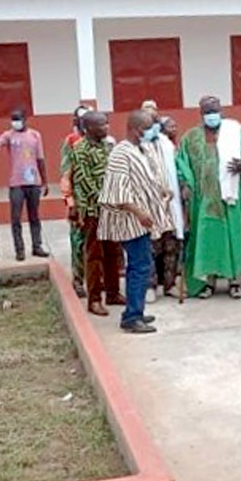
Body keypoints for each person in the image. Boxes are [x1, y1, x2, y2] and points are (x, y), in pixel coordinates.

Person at [177, 96, 241, 299]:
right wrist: (184, 186)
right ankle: (209, 282)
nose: (212, 115)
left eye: (214, 110)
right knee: (207, 239)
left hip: (232, 197)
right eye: (207, 111)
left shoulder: (234, 132)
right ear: (201, 114)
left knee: (234, 236)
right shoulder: (190, 138)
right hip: (204, 200)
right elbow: (181, 164)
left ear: (221, 112)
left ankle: (235, 282)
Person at [97, 110, 173, 334]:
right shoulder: (121, 153)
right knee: (140, 266)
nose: (153, 131)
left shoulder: (144, 149)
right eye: (149, 127)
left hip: (144, 219)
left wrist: (163, 190)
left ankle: (135, 310)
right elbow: (117, 192)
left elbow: (150, 177)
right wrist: (139, 212)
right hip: (132, 221)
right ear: (136, 129)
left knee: (141, 264)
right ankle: (132, 316)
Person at [70, 111, 125, 316]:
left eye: (107, 124)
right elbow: (85, 181)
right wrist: (105, 199)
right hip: (93, 210)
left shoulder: (106, 146)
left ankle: (113, 292)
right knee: (94, 255)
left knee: (113, 252)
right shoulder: (81, 149)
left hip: (111, 208)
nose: (106, 128)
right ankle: (94, 299)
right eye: (102, 125)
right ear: (89, 128)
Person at [0, 109, 49, 261]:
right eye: (13, 119)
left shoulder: (35, 135)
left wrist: (45, 181)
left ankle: (37, 246)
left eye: (17, 119)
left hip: (33, 182)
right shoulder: (8, 135)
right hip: (16, 183)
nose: (15, 122)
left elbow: (40, 159)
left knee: (34, 216)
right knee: (16, 218)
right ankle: (19, 249)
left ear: (25, 119)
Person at [141, 106, 184, 300]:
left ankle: (169, 284)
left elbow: (178, 167)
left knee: (171, 245)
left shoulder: (167, 144)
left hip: (170, 204)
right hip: (149, 205)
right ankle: (150, 285)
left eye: (155, 123)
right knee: (150, 247)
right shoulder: (137, 147)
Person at [61, 105, 93, 298]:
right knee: (78, 242)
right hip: (79, 203)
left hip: (96, 203)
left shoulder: (101, 140)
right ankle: (78, 280)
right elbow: (66, 174)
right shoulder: (71, 142)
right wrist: (71, 203)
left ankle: (96, 280)